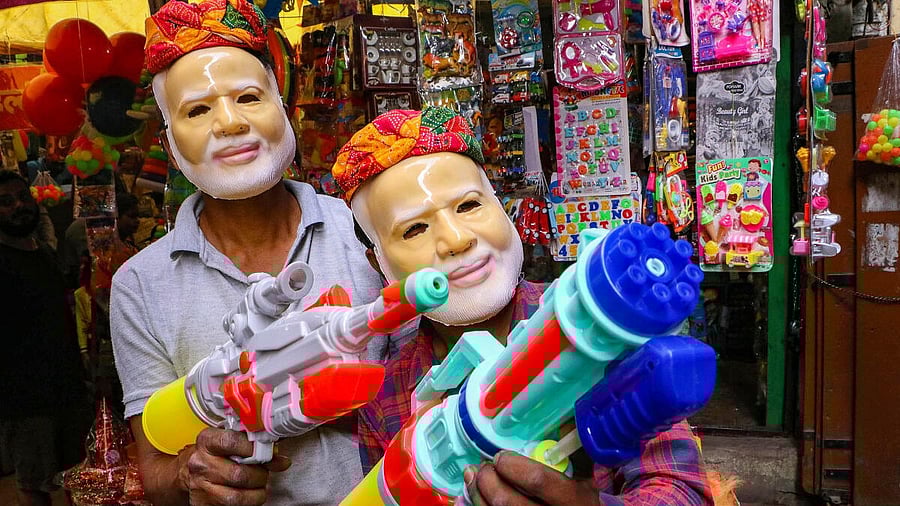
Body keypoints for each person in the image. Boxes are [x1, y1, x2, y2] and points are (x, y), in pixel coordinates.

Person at [330, 107, 715, 504]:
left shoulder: (596, 330)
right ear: (378, 261)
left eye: (468, 206)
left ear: (501, 206)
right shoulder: (387, 395)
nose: (456, 239)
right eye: (414, 229)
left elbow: (680, 487)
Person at [109, 1, 383, 505]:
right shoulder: (140, 284)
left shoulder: (368, 228)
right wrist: (194, 473)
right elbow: (155, 469)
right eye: (197, 109)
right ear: (171, 147)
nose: (229, 123)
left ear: (285, 109)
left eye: (249, 97)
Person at [0, 170, 90, 506]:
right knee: (35, 484)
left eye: (22, 197)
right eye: (6, 202)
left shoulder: (43, 252)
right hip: (24, 399)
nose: (18, 206)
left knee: (78, 477)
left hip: (67, 386)